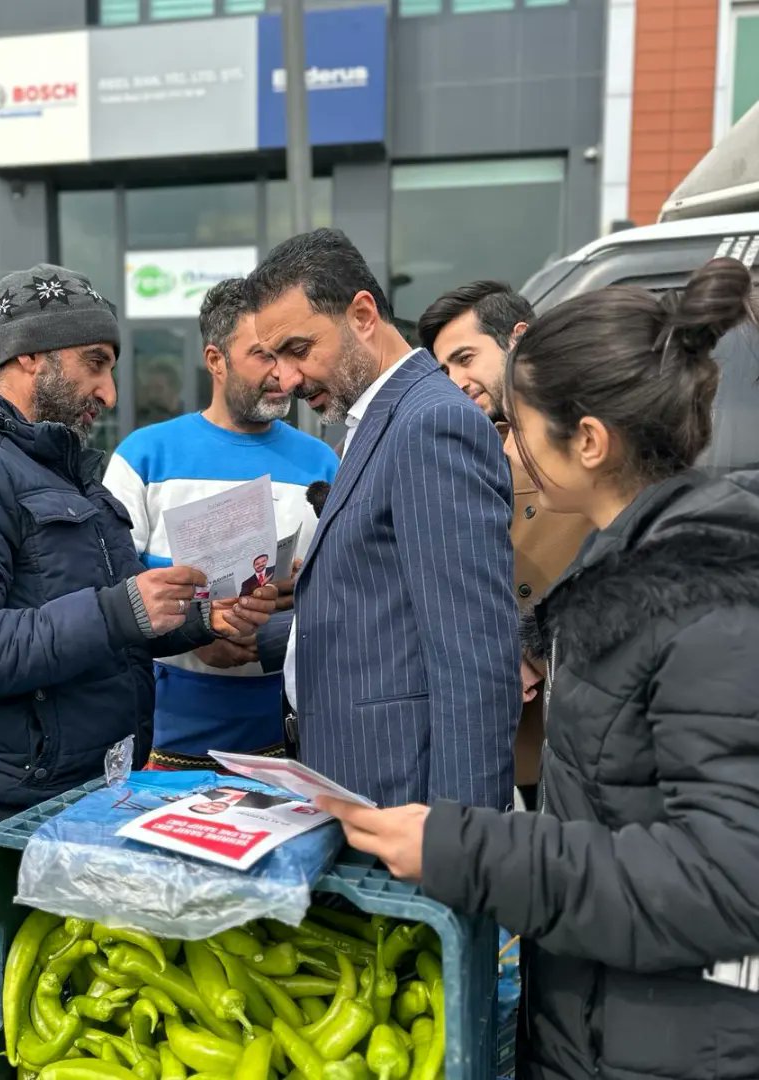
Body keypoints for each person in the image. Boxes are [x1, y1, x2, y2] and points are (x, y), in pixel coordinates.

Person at [321, 258, 759, 1080]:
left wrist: (472, 851)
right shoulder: (626, 567)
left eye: (520, 431)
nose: (507, 450)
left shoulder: (711, 605)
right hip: (602, 1024)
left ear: (588, 441)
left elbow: (730, 880)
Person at [0, 262, 276, 892]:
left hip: (85, 799)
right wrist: (121, 610)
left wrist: (200, 620)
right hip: (7, 827)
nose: (111, 391)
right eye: (95, 362)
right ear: (31, 356)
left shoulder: (58, 464)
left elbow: (108, 619)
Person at [249, 228, 520, 810]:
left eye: (299, 350)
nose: (289, 381)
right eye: (275, 359)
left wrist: (457, 845)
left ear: (363, 314)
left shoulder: (429, 424)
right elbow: (381, 605)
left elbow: (474, 659)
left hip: (405, 805)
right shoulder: (377, 420)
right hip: (359, 781)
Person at [103, 278, 338, 769]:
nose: (283, 373)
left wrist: (298, 596)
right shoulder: (142, 458)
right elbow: (108, 593)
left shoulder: (323, 462)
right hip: (163, 739)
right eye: (262, 355)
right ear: (215, 360)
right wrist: (195, 629)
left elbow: (352, 592)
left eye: (287, 353)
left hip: (291, 739)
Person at [417, 281, 591, 809]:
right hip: (506, 741)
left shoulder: (598, 432)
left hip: (588, 726)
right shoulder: (476, 446)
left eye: (466, 358)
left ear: (519, 338)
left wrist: (534, 646)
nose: (457, 382)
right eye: (444, 370)